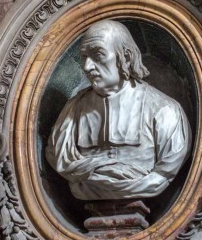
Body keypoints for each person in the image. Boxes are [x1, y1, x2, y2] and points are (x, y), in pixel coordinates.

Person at [45, 20, 191, 200]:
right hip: (84, 192)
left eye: (98, 55)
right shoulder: (72, 111)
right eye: (84, 57)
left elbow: (163, 173)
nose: (87, 66)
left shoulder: (164, 110)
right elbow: (56, 155)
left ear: (126, 57)